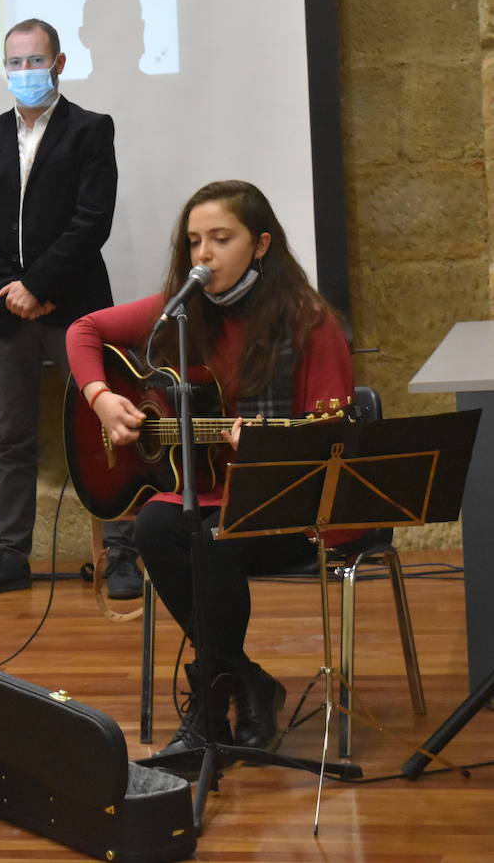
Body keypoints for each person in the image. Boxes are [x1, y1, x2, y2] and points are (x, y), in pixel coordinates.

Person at [66, 179, 355, 757]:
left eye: (221, 239)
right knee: (154, 525)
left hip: (290, 511)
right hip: (215, 500)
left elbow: (333, 436)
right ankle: (239, 682)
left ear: (262, 244)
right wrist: (100, 396)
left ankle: (211, 704)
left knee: (209, 537)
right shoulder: (183, 313)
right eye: (195, 241)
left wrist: (272, 452)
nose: (204, 254)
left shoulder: (309, 322)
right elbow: (85, 330)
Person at [0, 18, 140, 598]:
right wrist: (10, 287)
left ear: (59, 64)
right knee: (13, 437)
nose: (24, 72)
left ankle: (123, 553)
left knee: (105, 426)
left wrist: (39, 284)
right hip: (5, 311)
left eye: (35, 61)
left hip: (75, 309)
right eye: (15, 63)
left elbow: (92, 221)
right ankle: (10, 555)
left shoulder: (90, 129)